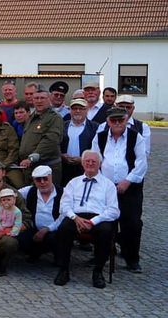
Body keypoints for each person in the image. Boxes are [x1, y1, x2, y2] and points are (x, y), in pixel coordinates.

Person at [91, 107, 147, 273]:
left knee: (132, 224)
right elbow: (94, 160)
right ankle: (102, 255)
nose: (117, 123)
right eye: (113, 120)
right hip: (105, 187)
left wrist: (127, 181)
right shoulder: (100, 137)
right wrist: (104, 183)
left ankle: (132, 259)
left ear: (126, 119)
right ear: (108, 122)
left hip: (130, 188)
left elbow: (141, 163)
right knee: (104, 222)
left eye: (120, 120)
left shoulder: (136, 137)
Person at [54, 150, 120, 288]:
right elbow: (64, 206)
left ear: (100, 164)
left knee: (106, 231)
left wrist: (93, 222)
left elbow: (114, 211)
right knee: (63, 229)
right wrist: (75, 218)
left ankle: (98, 271)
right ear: (82, 163)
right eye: (87, 161)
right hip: (76, 216)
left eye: (94, 161)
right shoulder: (73, 183)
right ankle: (63, 269)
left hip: (99, 218)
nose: (90, 164)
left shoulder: (108, 185)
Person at [17, 89, 64, 187]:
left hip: (47, 167)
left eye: (42, 98)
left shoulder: (54, 118)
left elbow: (50, 141)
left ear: (49, 99)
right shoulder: (31, 117)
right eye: (36, 98)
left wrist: (31, 158)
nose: (39, 101)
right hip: (30, 167)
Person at [18, 165, 63, 262]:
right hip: (34, 229)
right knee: (21, 237)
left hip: (55, 230)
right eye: (38, 180)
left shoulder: (63, 193)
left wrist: (47, 229)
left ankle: (59, 255)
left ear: (51, 177)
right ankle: (35, 253)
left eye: (45, 179)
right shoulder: (29, 191)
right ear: (34, 181)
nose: (42, 182)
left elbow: (64, 216)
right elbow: (11, 193)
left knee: (57, 237)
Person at [61, 98, 96, 184]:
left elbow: (98, 149)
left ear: (87, 110)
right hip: (64, 169)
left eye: (81, 108)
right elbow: (55, 145)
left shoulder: (95, 127)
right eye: (74, 108)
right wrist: (61, 155)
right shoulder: (62, 126)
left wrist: (83, 159)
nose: (77, 111)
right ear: (70, 110)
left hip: (85, 169)